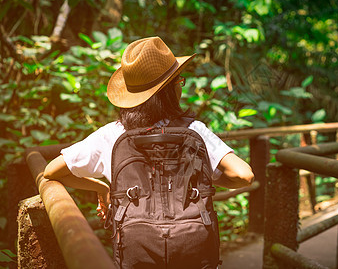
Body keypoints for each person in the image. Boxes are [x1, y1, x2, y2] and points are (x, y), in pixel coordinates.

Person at [44, 36, 254, 227]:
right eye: (179, 81)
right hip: (192, 248)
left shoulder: (111, 135)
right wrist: (196, 177)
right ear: (170, 90)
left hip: (137, 251)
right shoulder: (193, 130)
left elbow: (52, 171)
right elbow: (244, 175)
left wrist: (103, 188)